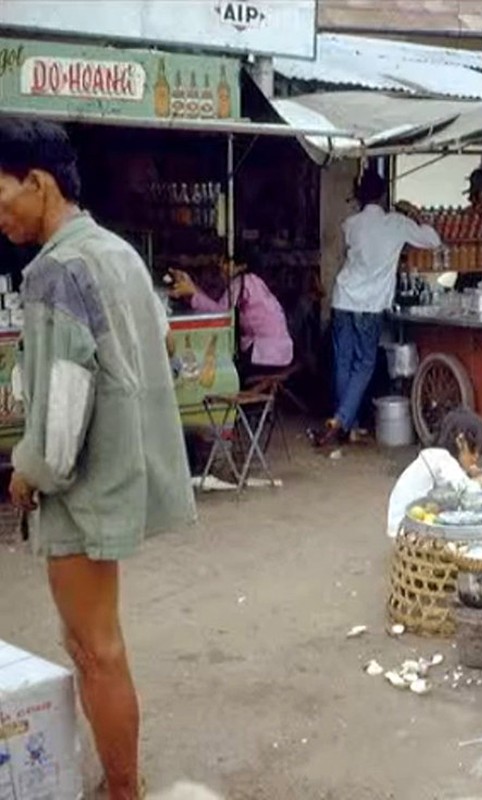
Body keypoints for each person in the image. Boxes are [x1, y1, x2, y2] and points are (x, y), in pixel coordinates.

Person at [0, 120, 195, 800]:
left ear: (37, 183)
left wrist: (25, 476)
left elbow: (56, 440)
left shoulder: (55, 270)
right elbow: (162, 344)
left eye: (0, 197)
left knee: (94, 650)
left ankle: (122, 792)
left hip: (84, 487)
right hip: (123, 469)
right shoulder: (118, 253)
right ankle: (123, 780)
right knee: (97, 645)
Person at [309, 170, 441, 447]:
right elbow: (433, 240)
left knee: (343, 363)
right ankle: (342, 421)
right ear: (383, 195)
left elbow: (351, 253)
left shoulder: (351, 224)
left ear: (359, 196)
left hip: (344, 299)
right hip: (370, 305)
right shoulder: (397, 223)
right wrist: (416, 214)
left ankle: (347, 424)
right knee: (364, 364)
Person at [167, 248, 293, 379]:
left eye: (227, 262)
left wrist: (193, 292)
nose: (222, 266)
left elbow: (221, 315)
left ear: (242, 266)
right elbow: (215, 305)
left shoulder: (242, 283)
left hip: (265, 355)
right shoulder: (255, 281)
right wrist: (192, 289)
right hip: (282, 352)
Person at [385, 409, 482, 536]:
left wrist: (469, 472)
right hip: (406, 529)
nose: (476, 458)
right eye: (474, 451)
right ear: (460, 441)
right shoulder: (442, 459)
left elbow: (453, 481)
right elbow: (466, 490)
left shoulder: (435, 455)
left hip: (402, 522)